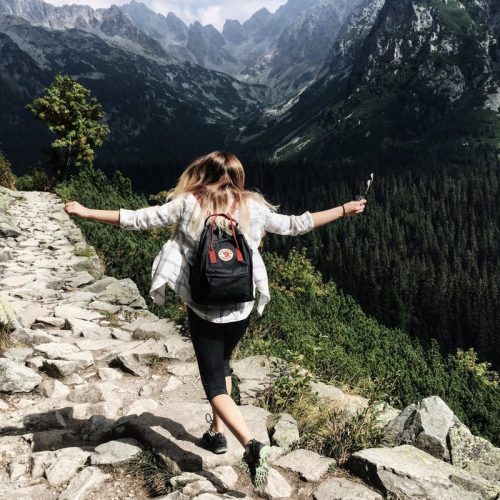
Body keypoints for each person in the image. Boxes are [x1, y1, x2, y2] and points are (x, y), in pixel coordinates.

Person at [64, 150, 367, 487]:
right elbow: (297, 225)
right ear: (238, 177)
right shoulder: (252, 206)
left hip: (204, 309)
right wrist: (344, 209)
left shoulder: (187, 204)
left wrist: (87, 212)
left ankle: (251, 446)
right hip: (241, 306)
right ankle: (215, 432)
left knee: (213, 383)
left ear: (203, 174)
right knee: (224, 365)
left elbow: (137, 219)